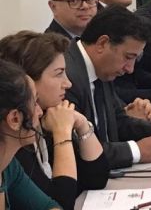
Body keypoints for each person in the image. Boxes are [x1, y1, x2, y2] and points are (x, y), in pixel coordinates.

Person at [64, 6, 151, 169]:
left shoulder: (101, 67)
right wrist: (136, 151)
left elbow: (118, 121)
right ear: (102, 44)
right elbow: (78, 151)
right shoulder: (66, 78)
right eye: (128, 57)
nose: (130, 69)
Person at [0, 31, 108, 210]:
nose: (68, 83)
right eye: (59, 74)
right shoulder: (12, 144)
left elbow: (96, 178)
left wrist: (82, 125)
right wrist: (62, 134)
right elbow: (64, 202)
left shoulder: (47, 119)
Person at [0, 61, 61, 209]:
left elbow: (49, 206)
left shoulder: (8, 166)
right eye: (35, 103)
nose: (39, 112)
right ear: (15, 119)